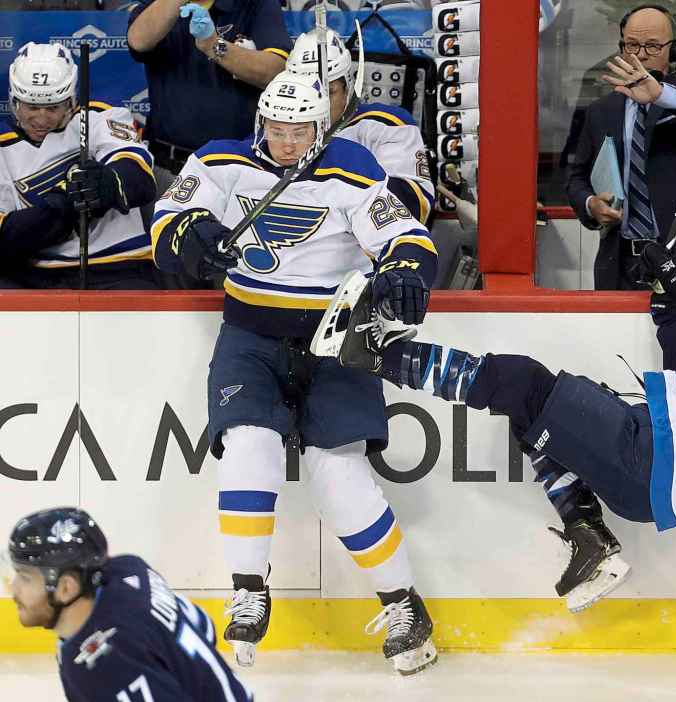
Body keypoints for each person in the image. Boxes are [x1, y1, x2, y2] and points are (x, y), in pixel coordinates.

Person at [317, 243, 676, 612]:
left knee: (525, 384)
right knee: (529, 415)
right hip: (655, 463)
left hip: (659, 467)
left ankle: (376, 354)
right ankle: (587, 536)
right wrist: (671, 284)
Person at [149, 70, 439, 675]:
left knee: (339, 474)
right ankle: (249, 586)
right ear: (261, 122)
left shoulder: (353, 166)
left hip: (335, 339)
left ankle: (403, 602)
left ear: (320, 126)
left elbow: (404, 234)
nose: (285, 142)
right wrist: (192, 237)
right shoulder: (219, 160)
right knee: (248, 445)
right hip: (250, 337)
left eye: (298, 130)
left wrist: (408, 271)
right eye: (275, 129)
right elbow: (168, 219)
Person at [566, 4, 676, 290]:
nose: (641, 55)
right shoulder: (600, 110)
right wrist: (590, 204)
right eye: (633, 45)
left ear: (674, 51)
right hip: (620, 263)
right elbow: (575, 177)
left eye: (653, 46)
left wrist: (660, 95)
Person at [6, 507, 252, 701]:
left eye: (25, 578)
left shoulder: (103, 667)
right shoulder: (128, 569)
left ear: (66, 588)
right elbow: (203, 625)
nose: (13, 587)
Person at [0, 42, 158, 289]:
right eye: (32, 107)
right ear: (14, 101)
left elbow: (138, 178)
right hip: (34, 277)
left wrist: (107, 184)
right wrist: (65, 204)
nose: (41, 119)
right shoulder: (2, 147)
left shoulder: (99, 116)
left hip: (119, 266)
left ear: (71, 100)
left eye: (53, 108)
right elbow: (7, 237)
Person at [126, 0, 291, 189]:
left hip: (238, 169)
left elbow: (274, 71)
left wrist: (214, 45)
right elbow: (138, 41)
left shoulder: (256, 4)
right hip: (168, 167)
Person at [284, 30, 435, 225]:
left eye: (328, 93)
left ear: (349, 87)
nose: (317, 104)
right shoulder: (276, 134)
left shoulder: (387, 125)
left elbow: (414, 207)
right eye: (305, 94)